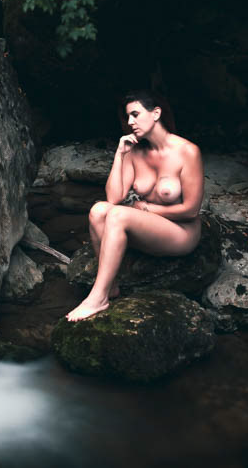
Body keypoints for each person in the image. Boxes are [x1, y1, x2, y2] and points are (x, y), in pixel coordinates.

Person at [65, 90, 204, 321]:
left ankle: (97, 298)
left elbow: (191, 210)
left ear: (156, 113)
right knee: (98, 211)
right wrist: (120, 155)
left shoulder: (187, 152)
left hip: (181, 232)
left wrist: (148, 209)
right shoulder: (135, 150)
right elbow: (113, 198)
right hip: (150, 230)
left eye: (135, 114)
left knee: (118, 216)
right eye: (128, 116)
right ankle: (110, 286)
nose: (130, 122)